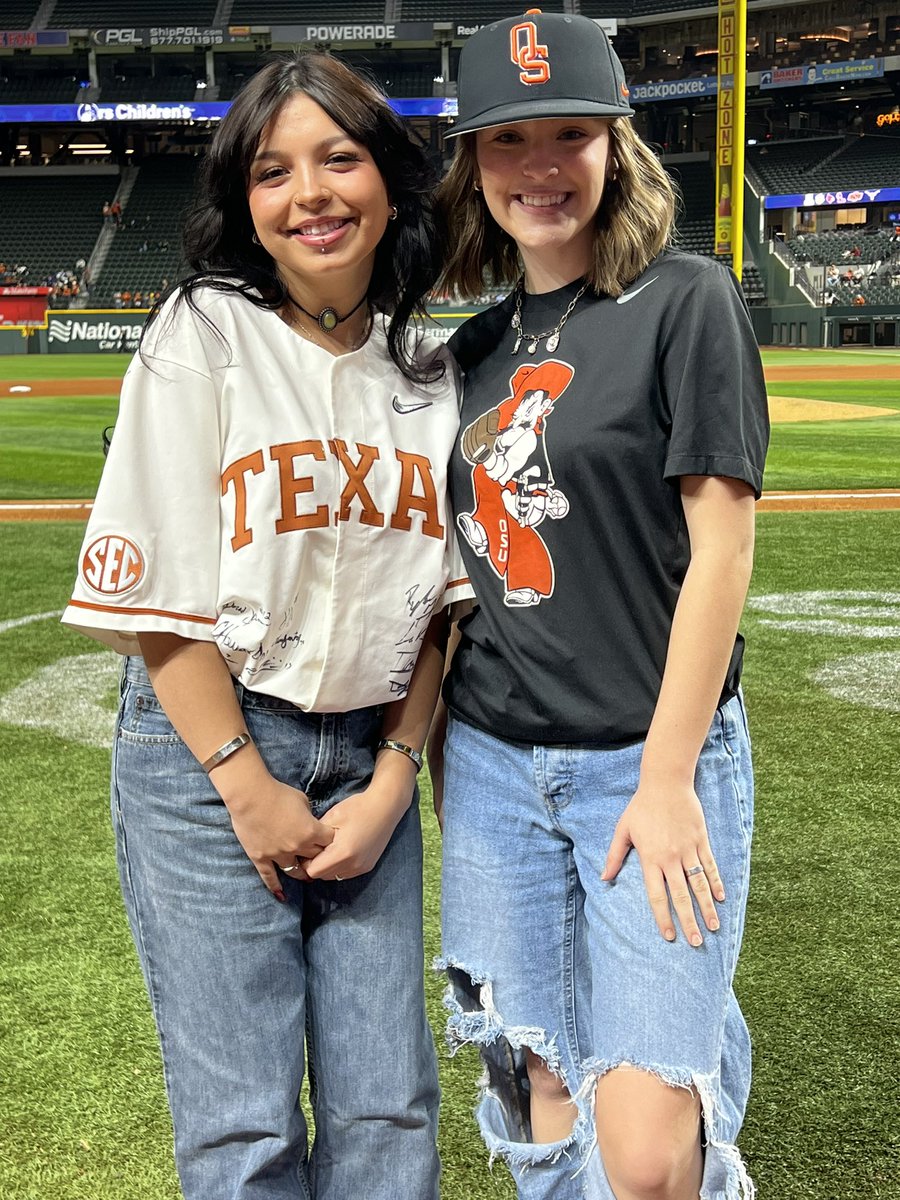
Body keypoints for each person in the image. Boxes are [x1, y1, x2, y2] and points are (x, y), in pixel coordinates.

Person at [62, 52, 472, 1200]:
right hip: (210, 753)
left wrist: (394, 779)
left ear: (389, 178)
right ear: (244, 203)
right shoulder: (203, 330)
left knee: (391, 1108)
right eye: (273, 172)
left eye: (339, 159)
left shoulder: (432, 368)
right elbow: (157, 597)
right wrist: (246, 785)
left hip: (371, 756)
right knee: (244, 1131)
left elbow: (442, 609)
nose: (310, 195)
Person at [431, 12, 768, 1200]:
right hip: (490, 770)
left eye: (569, 133)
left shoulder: (688, 300)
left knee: (648, 1158)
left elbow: (723, 549)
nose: (541, 166)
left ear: (615, 145)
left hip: (648, 761)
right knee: (541, 1093)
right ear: (474, 164)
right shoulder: (472, 350)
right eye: (507, 139)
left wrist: (669, 777)